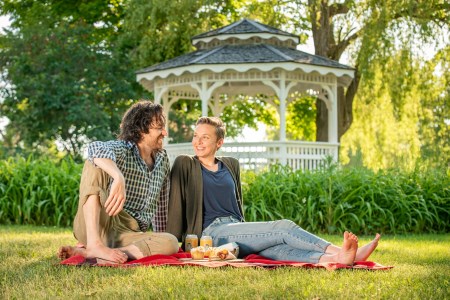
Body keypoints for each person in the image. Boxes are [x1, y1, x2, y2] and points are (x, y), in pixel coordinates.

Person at [167, 116, 381, 265]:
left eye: (205, 137)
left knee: (277, 249)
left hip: (235, 227)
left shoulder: (230, 165)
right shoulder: (186, 164)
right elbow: (175, 201)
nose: (198, 141)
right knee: (283, 228)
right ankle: (339, 250)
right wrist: (175, 240)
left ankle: (332, 260)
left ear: (219, 142)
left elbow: (237, 204)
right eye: (196, 135)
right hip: (211, 234)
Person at [58, 101, 179, 264]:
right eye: (159, 128)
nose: (164, 132)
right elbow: (95, 148)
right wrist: (118, 177)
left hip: (129, 233)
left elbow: (161, 205)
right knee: (95, 163)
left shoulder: (163, 160)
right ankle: (94, 245)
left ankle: (96, 253)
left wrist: (159, 238)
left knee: (171, 241)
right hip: (103, 220)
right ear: (141, 130)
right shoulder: (123, 149)